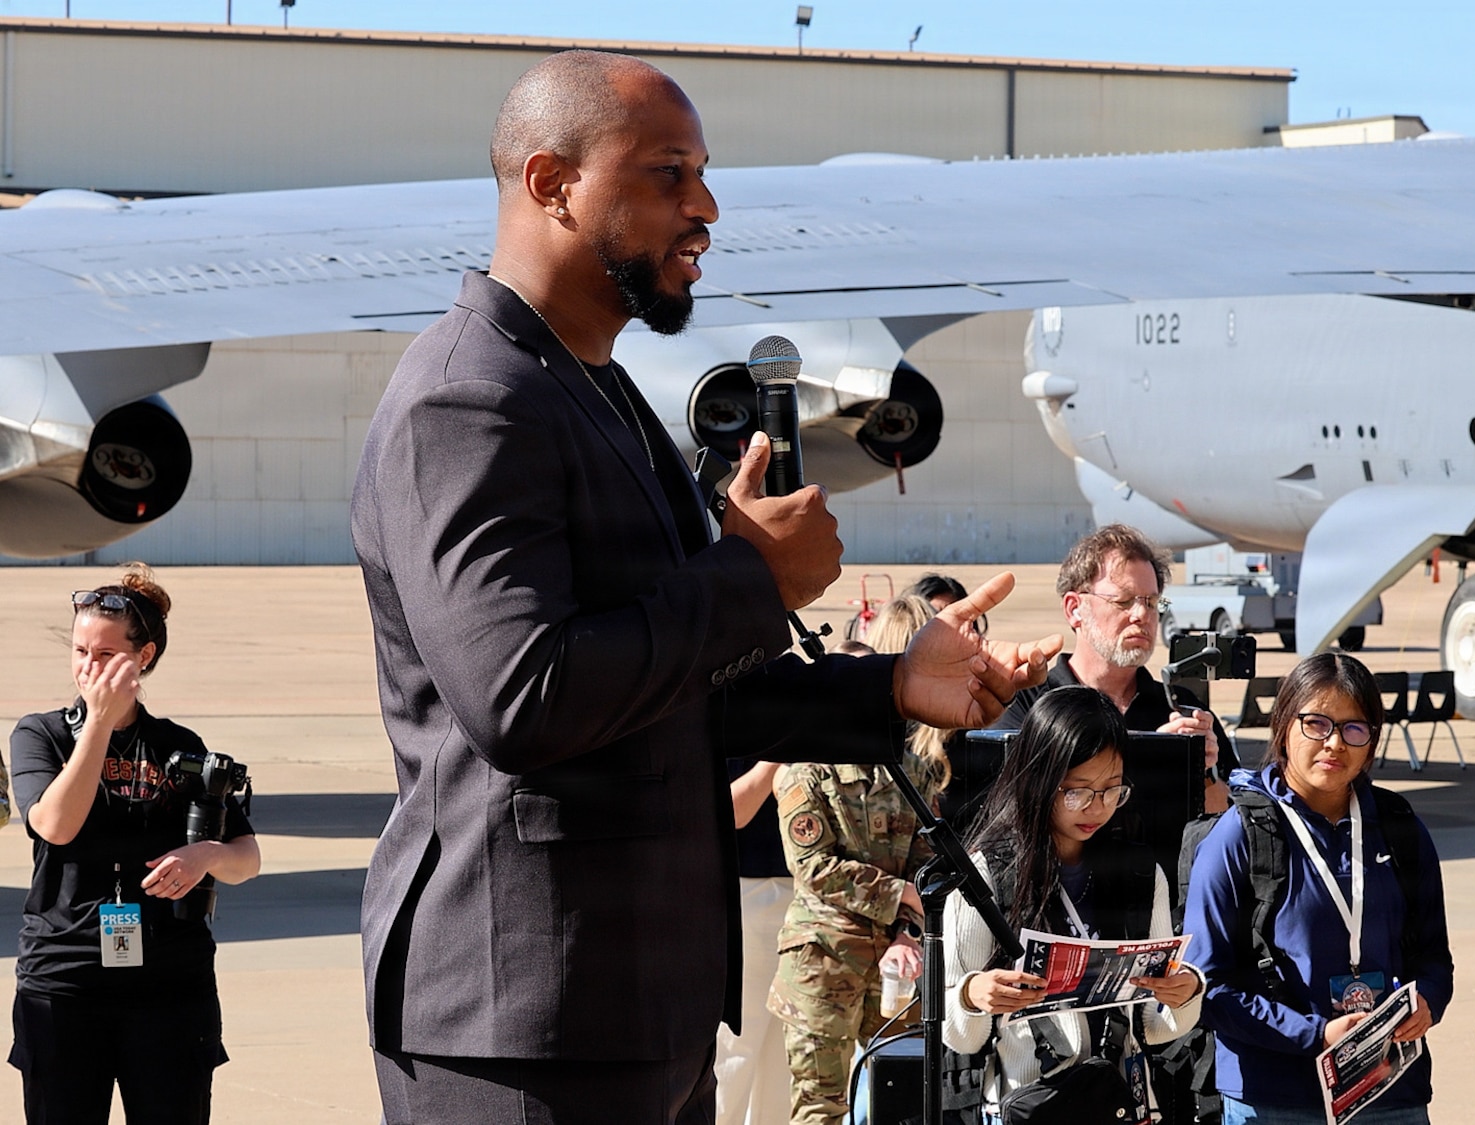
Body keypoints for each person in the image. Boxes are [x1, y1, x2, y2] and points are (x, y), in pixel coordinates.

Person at [349, 49, 1060, 1123]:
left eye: (702, 174)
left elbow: (687, 682)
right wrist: (751, 576)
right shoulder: (467, 404)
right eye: (667, 176)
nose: (705, 208)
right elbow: (523, 696)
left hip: (643, 1010)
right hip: (521, 1026)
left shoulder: (598, 393)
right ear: (551, 184)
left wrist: (890, 688)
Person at [8, 565, 262, 1124]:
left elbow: (248, 856)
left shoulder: (179, 746)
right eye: (79, 652)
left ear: (143, 656)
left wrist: (207, 857)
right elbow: (54, 825)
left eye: (105, 655)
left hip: (169, 986)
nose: (87, 668)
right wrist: (96, 725)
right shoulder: (40, 735)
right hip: (65, 980)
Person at [1182, 652, 1452, 1125]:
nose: (1334, 743)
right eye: (1316, 723)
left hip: (1389, 1091)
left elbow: (1434, 956)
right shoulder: (1238, 836)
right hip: (1275, 1098)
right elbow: (1206, 987)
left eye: (1354, 728)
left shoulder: (1399, 828)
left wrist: (1428, 999)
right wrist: (1318, 1034)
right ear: (1283, 726)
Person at [943, 686, 1206, 1121]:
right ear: (1038, 778)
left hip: (1120, 1102)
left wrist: (1186, 993)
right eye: (1077, 791)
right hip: (1028, 1105)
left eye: (1111, 790)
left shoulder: (1141, 873)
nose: (1096, 808)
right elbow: (960, 1036)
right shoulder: (986, 873)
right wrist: (973, 995)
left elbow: (1154, 1027)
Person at [767, 594, 950, 1125]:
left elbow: (926, 854)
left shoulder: (910, 770)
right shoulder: (804, 772)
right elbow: (814, 868)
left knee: (898, 1101)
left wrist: (907, 930)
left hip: (893, 965)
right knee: (821, 1108)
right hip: (822, 965)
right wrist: (900, 896)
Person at [994, 524, 1236, 816]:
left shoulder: (1179, 709)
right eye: (1123, 601)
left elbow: (1229, 821)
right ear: (1074, 609)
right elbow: (1007, 811)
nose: (1141, 615)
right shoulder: (1029, 703)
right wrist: (1148, 758)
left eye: (1152, 602)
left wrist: (1204, 771)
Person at [715, 757, 791, 1125]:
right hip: (748, 894)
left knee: (786, 1069)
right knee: (733, 1057)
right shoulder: (730, 709)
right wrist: (778, 757)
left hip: (813, 898)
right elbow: (727, 812)